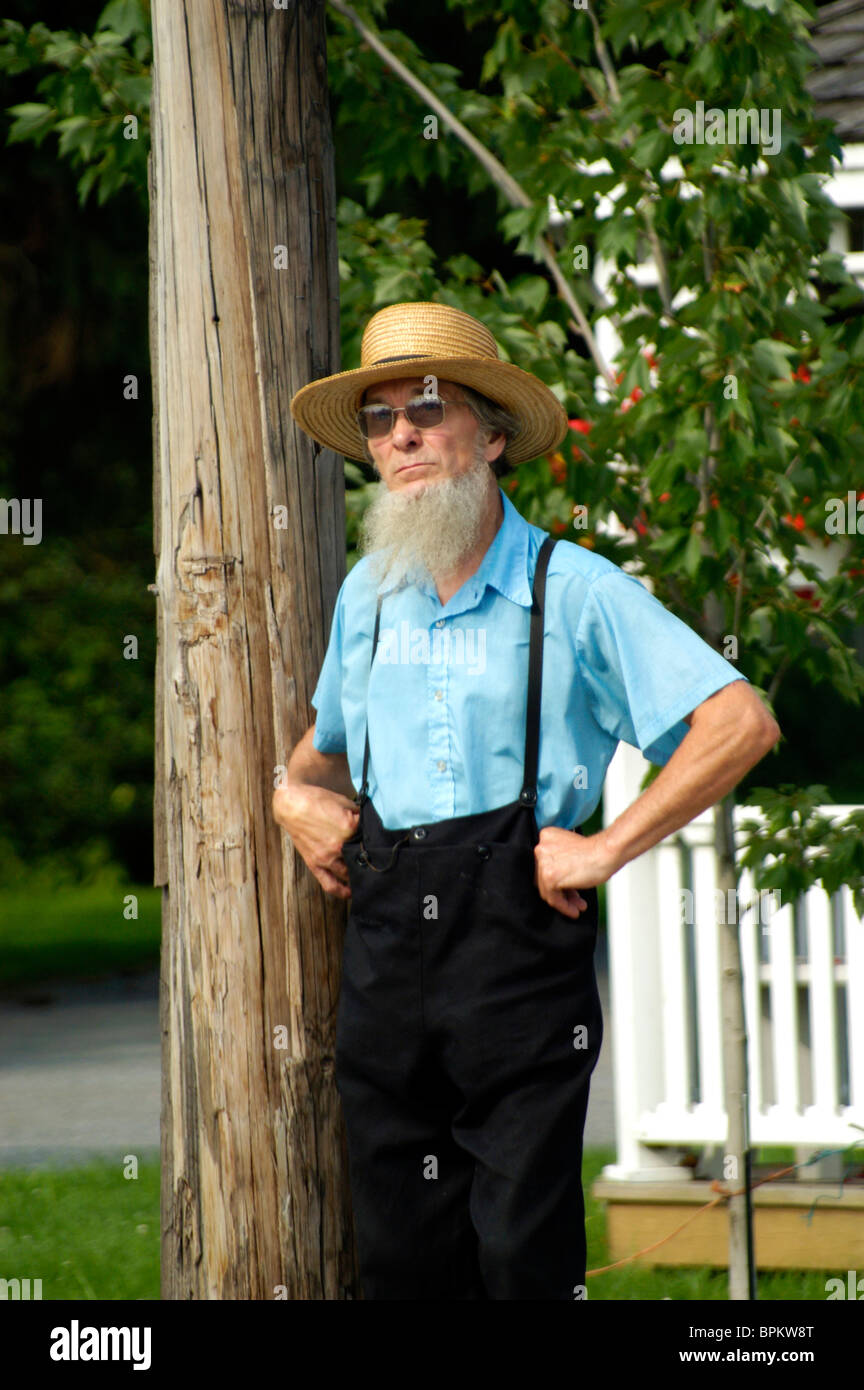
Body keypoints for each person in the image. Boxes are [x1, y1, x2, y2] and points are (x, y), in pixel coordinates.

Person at [274, 300, 780, 1300]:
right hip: (383, 960)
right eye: (379, 419)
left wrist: (604, 849)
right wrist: (288, 796)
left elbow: (740, 722)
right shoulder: (367, 594)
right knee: (403, 1252)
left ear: (493, 435)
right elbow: (319, 758)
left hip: (517, 952)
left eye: (427, 407)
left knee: (519, 1251)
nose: (402, 433)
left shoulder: (573, 586)